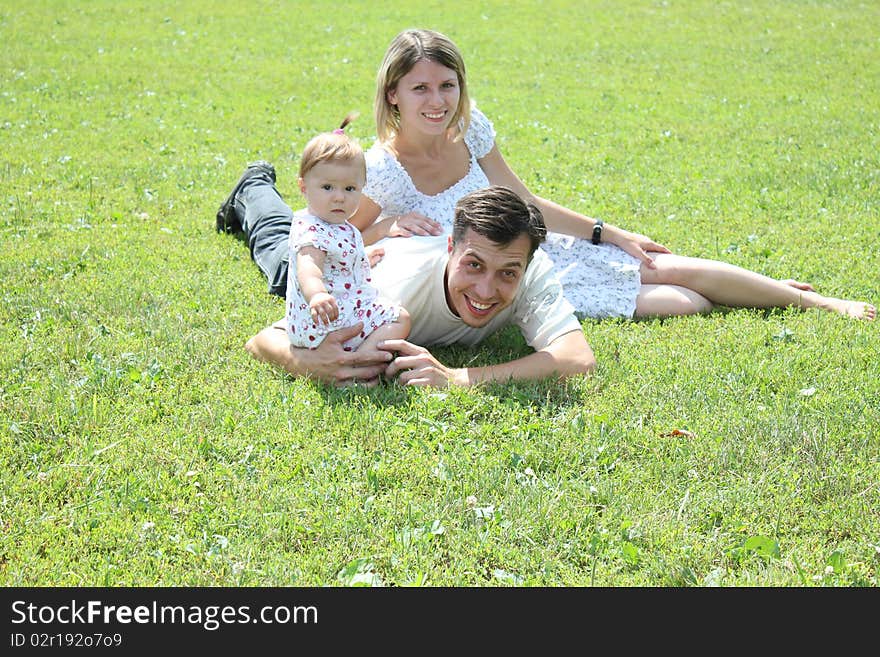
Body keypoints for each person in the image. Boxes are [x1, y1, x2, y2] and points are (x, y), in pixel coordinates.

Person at [246, 186, 596, 387]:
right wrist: (308, 362)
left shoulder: (533, 271)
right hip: (325, 268)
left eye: (507, 273)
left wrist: (458, 377)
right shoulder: (391, 288)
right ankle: (253, 188)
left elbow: (577, 358)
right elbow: (262, 340)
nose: (486, 291)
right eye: (473, 265)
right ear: (450, 248)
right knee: (277, 243)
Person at [283, 114, 409, 353]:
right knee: (400, 318)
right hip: (326, 320)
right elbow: (308, 267)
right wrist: (317, 295)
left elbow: (338, 258)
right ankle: (361, 359)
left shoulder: (338, 225)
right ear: (303, 187)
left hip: (332, 315)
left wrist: (361, 259)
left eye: (350, 188)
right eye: (328, 187)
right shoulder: (311, 229)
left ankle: (359, 353)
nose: (339, 196)